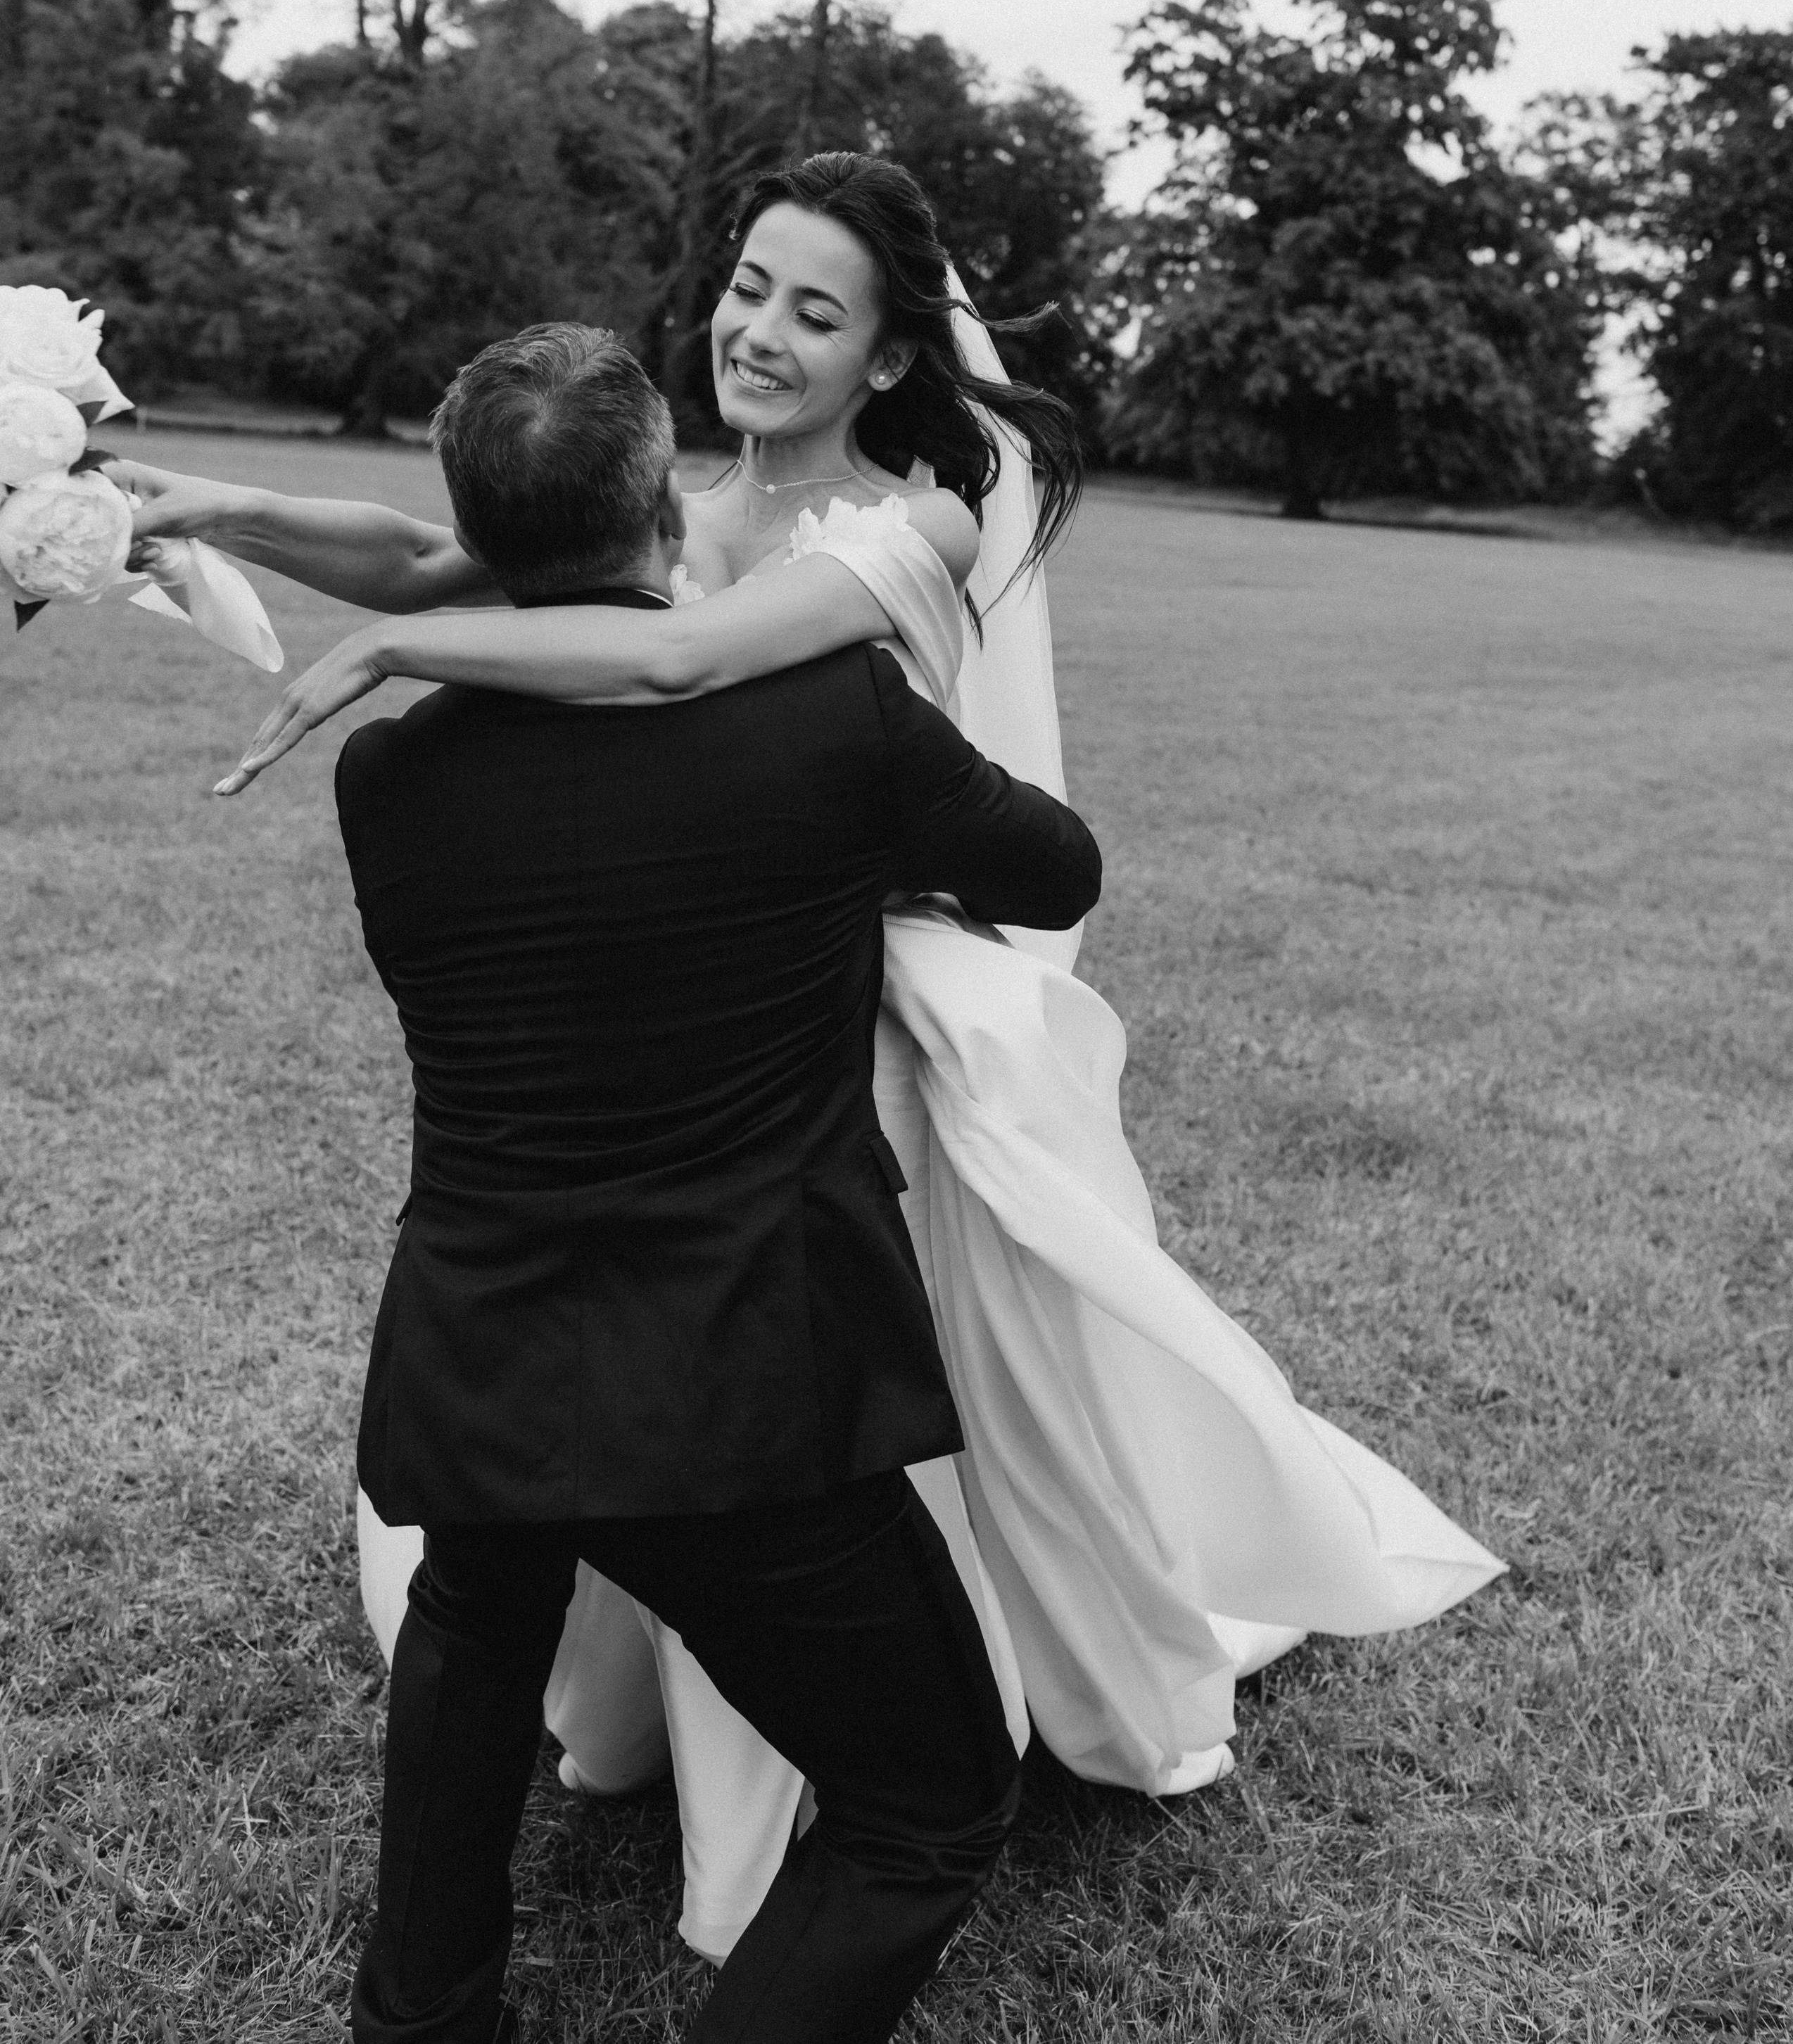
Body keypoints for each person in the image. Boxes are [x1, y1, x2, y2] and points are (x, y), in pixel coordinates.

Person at [110, 151, 1503, 1966]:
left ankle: (953, 1683)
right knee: (685, 1417)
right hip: (715, 1017)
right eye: (749, 285)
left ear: (885, 360)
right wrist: (207, 502)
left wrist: (393, 652)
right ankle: (713, 1731)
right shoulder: (681, 493)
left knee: (856, 1410)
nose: (758, 330)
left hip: (843, 1053)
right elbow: (452, 542)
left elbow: (677, 662)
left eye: (813, 311)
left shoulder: (904, 529)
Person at [330, 318, 1103, 2043]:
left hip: (485, 1347)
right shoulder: (828, 719)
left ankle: (420, 2013)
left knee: (481, 1592)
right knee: (926, 1800)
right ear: (658, 510)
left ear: (478, 524)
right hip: (747, 1385)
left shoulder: (386, 776)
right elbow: (1055, 871)